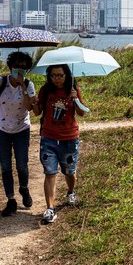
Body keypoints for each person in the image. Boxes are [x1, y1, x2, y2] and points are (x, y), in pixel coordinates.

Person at [0, 51, 36, 217]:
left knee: (21, 164)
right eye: (16, 66)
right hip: (1, 129)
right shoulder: (1, 82)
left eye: (23, 68)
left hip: (21, 129)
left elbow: (29, 107)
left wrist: (23, 86)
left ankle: (24, 189)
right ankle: (11, 200)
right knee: (5, 166)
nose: (19, 70)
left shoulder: (29, 84)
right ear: (10, 67)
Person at [32, 64, 86, 224]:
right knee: (50, 172)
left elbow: (82, 113)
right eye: (53, 75)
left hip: (69, 138)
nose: (57, 78)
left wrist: (76, 98)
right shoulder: (46, 90)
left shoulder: (73, 88)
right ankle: (50, 208)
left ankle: (70, 191)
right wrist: (35, 102)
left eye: (60, 75)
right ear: (49, 76)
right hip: (48, 138)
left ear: (66, 75)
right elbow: (37, 112)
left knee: (69, 171)